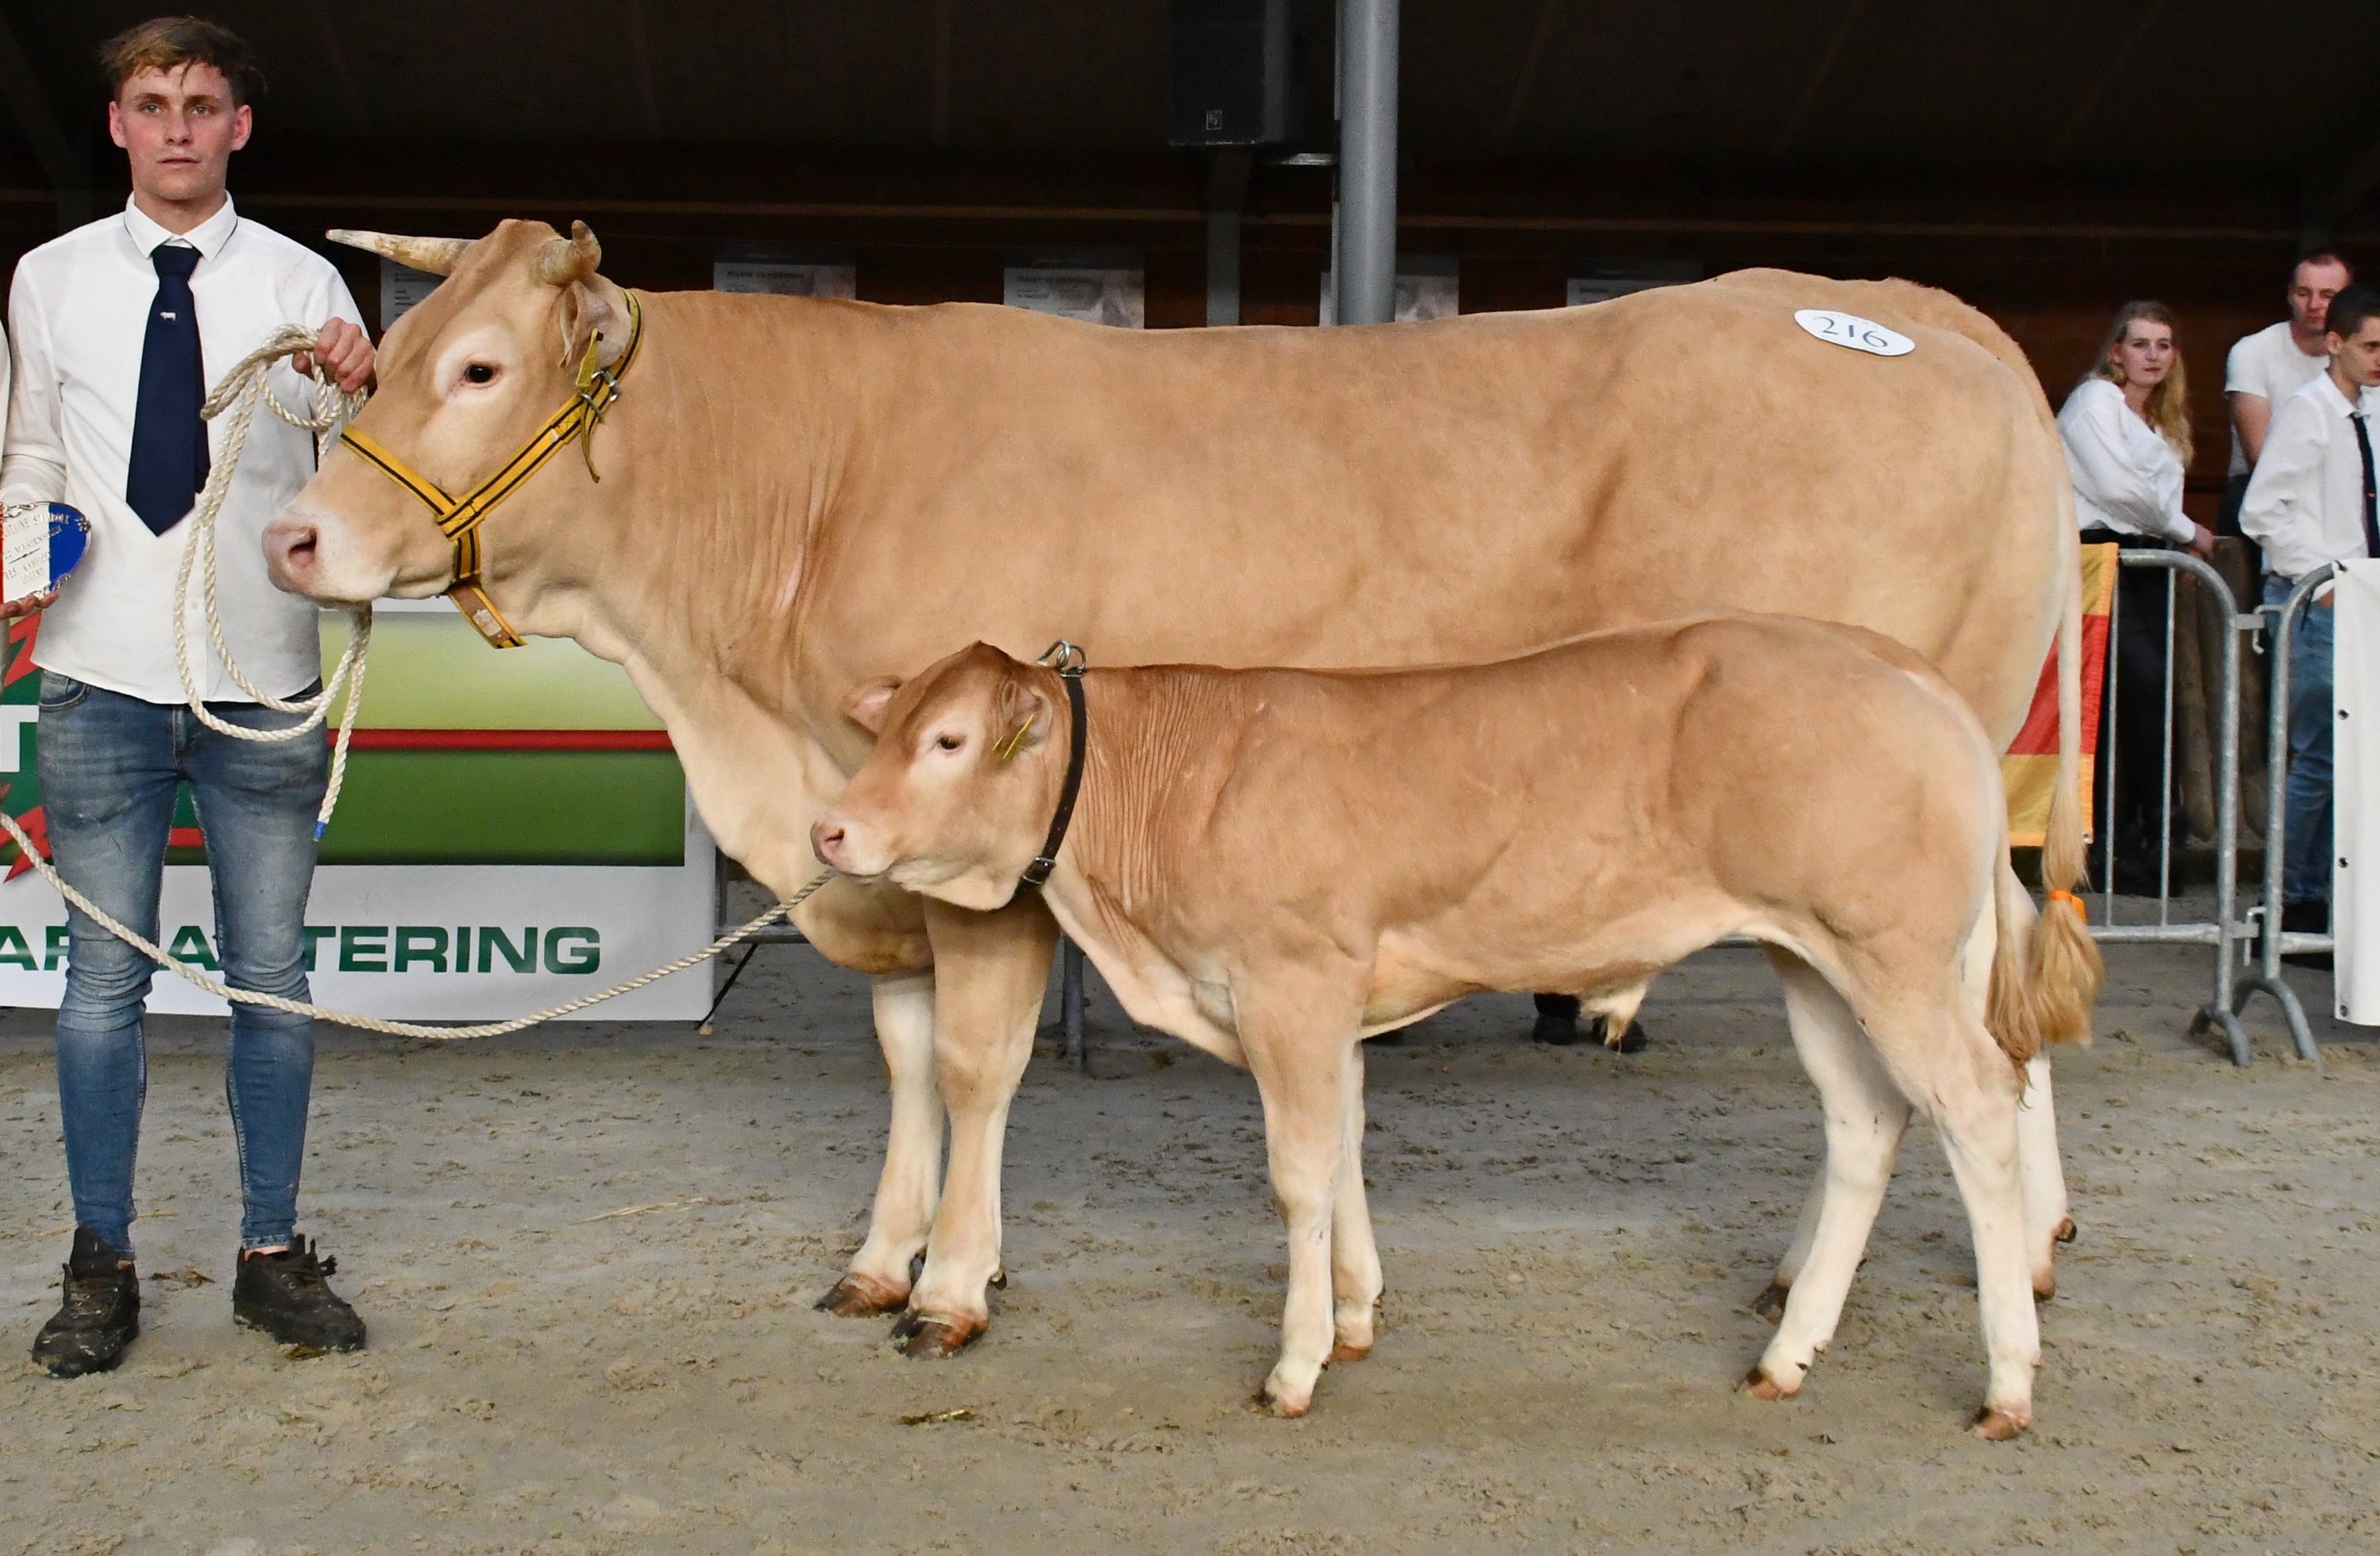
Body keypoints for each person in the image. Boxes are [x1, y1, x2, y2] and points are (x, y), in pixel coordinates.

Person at [1, 17, 376, 1378]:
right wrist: (14, 557)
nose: (174, 126)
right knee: (100, 988)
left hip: (262, 682)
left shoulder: (301, 282)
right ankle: (99, 1265)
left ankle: (272, 1255)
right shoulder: (46, 279)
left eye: (200, 104)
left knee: (269, 983)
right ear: (116, 125)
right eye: (150, 103)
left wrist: (351, 388)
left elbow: (338, 480)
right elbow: (30, 454)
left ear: (238, 128)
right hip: (96, 677)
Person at [2239, 282, 2380, 962]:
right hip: (2324, 598)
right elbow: (2262, 510)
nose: (2379, 359)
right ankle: (2288, 896)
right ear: (2335, 345)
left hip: (2363, 599)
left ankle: (2323, 894)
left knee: (2349, 759)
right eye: (2369, 346)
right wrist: (2322, 578)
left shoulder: (2368, 414)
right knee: (2317, 756)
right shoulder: (2308, 412)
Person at [2056, 301, 2216, 894]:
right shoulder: (2093, 402)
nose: (2152, 355)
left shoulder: (2164, 421)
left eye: (2164, 345)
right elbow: (2116, 489)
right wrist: (2187, 532)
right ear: (2116, 352)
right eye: (2141, 344)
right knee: (2122, 698)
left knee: (2152, 703)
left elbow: (2149, 495)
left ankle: (2149, 847)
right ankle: (2109, 845)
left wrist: (2172, 540)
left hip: (2147, 563)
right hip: (2103, 557)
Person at [2223, 254, 2355, 552]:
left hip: (2342, 492)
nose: (2314, 305)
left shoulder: (2361, 356)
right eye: (2304, 293)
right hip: (2262, 490)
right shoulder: (2253, 351)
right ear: (2289, 295)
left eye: (2327, 295)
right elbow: (2261, 457)